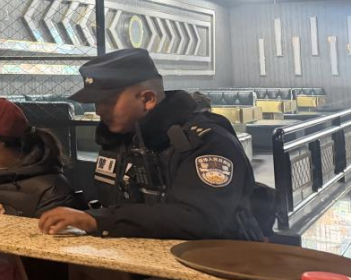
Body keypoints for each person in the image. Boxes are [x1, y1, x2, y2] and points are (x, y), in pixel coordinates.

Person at [38, 48, 262, 240]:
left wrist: (100, 220)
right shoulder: (118, 138)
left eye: (108, 101)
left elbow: (199, 218)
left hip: (219, 262)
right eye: (96, 102)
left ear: (147, 99)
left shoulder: (206, 141)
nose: (98, 110)